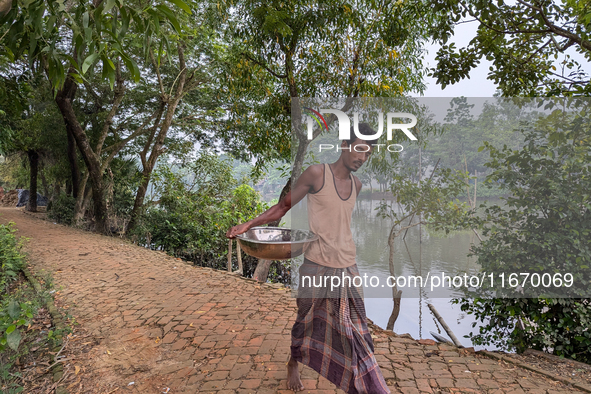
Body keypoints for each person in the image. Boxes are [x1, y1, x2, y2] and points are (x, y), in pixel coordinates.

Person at [226, 123, 390, 394]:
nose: (362, 157)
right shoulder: (316, 174)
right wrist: (247, 225)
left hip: (348, 267)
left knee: (358, 330)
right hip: (316, 265)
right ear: (344, 146)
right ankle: (294, 362)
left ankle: (367, 385)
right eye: (360, 149)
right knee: (306, 321)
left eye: (368, 153)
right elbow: (283, 207)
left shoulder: (357, 185)